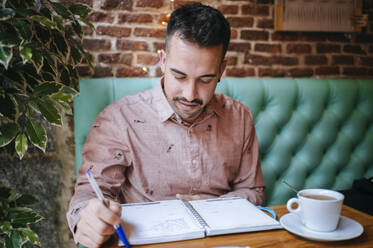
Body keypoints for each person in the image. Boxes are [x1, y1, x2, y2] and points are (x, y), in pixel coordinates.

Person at [67, 3, 265, 247]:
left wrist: (213, 206)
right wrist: (87, 218)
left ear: (222, 69)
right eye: (179, 76)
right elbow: (88, 195)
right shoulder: (120, 118)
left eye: (205, 79)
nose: (190, 94)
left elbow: (254, 192)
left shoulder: (240, 117)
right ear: (162, 61)